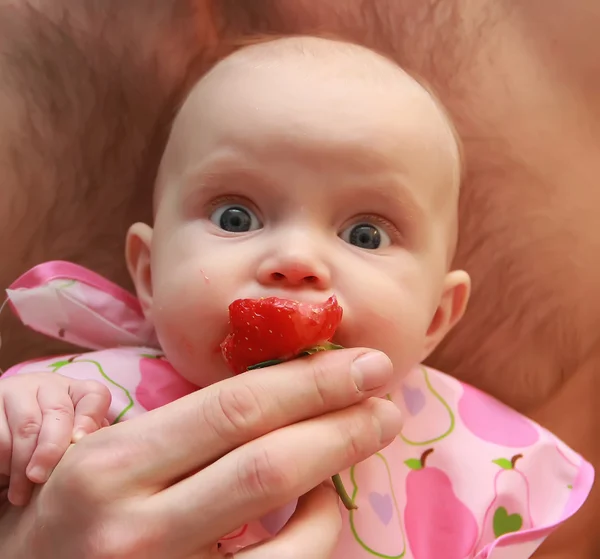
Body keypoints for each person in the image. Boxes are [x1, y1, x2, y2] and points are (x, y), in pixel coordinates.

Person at [0, 2, 598, 558]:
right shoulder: (87, 404)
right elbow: (32, 438)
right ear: (151, 276)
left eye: (366, 234)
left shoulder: (460, 458)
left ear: (435, 318)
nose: (295, 258)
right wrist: (26, 433)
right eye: (236, 217)